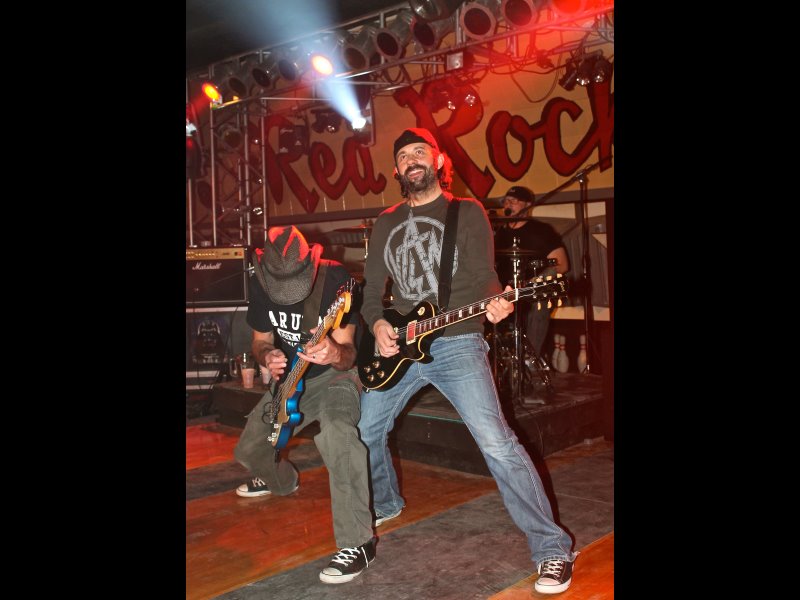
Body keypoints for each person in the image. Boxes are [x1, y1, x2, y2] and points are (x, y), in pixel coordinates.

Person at [358, 128, 577, 595]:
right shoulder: (386, 222)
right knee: (365, 430)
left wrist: (497, 302)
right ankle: (387, 500)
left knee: (497, 443)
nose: (412, 160)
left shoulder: (467, 211)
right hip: (401, 345)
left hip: (457, 340)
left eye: (420, 151)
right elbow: (372, 289)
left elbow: (483, 276)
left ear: (438, 162)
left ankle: (552, 548)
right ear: (396, 170)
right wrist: (377, 324)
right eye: (404, 156)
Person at [233, 225, 376, 584]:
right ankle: (283, 481)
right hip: (292, 379)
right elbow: (259, 341)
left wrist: (333, 352)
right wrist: (268, 356)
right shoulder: (261, 285)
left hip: (336, 376)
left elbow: (349, 354)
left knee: (338, 434)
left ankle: (358, 543)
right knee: (249, 449)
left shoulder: (336, 282)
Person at [493, 185, 570, 360]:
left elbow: (562, 264)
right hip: (505, 291)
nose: (508, 204)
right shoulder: (499, 234)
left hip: (533, 290)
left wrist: (534, 282)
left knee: (539, 303)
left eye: (513, 201)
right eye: (506, 201)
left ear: (527, 205)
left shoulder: (542, 231)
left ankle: (530, 360)